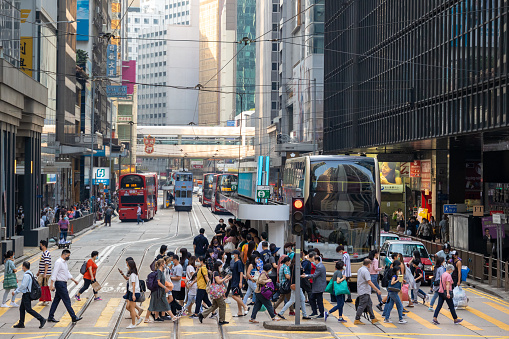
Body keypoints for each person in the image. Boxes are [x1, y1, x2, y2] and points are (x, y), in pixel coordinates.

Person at [48, 250, 82, 324]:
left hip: (62, 284)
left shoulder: (64, 263)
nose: (68, 257)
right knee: (67, 301)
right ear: (64, 254)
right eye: (68, 256)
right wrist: (51, 284)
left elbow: (67, 273)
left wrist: (74, 280)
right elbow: (54, 273)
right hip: (60, 284)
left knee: (56, 301)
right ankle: (73, 317)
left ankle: (50, 317)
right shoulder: (58, 262)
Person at [12, 262, 46, 329]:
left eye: (22, 266)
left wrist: (16, 291)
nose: (22, 268)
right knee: (22, 308)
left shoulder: (26, 275)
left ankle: (41, 319)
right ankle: (21, 323)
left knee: (29, 309)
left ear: (24, 267)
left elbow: (23, 286)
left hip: (27, 294)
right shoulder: (30, 273)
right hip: (27, 294)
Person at [198, 261, 231, 325]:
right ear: (218, 266)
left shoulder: (216, 272)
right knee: (222, 305)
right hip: (217, 293)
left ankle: (202, 315)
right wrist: (225, 278)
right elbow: (218, 281)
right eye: (221, 266)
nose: (221, 268)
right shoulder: (215, 273)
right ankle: (221, 320)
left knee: (214, 306)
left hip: (216, 292)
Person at [354, 259, 381, 325]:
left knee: (369, 304)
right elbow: (369, 282)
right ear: (368, 264)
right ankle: (357, 319)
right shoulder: (366, 271)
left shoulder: (360, 269)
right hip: (364, 291)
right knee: (362, 306)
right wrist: (377, 289)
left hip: (363, 290)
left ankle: (373, 318)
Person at [303, 254, 327, 319]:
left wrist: (306, 276)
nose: (314, 262)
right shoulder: (321, 266)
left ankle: (321, 313)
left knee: (319, 300)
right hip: (318, 286)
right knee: (312, 298)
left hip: (318, 287)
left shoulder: (319, 267)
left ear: (317, 260)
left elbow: (314, 275)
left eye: (314, 261)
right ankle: (315, 312)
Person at [125, 260, 143, 329]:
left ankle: (133, 324)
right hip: (132, 292)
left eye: (128, 265)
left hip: (133, 292)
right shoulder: (134, 274)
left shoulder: (132, 275)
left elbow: (133, 284)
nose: (127, 266)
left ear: (130, 266)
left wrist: (133, 294)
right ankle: (138, 318)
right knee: (128, 307)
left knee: (132, 309)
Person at [230, 250, 249, 316]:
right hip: (234, 280)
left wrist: (240, 282)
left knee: (234, 296)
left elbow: (241, 272)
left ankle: (245, 306)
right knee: (237, 296)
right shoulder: (235, 262)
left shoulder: (239, 262)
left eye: (233, 254)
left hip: (237, 282)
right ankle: (240, 312)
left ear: (237, 255)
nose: (232, 255)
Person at [37, 240, 52, 305]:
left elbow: (46, 264)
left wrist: (45, 274)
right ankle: (44, 299)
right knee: (41, 285)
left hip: (44, 273)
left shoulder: (46, 254)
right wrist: (39, 272)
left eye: (41, 245)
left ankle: (45, 300)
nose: (40, 247)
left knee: (43, 286)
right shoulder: (44, 253)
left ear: (44, 246)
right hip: (42, 273)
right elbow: (42, 264)